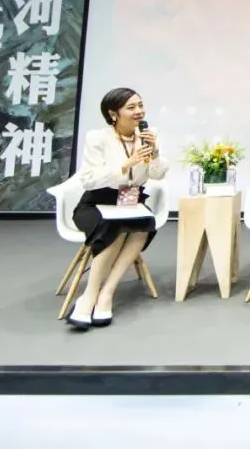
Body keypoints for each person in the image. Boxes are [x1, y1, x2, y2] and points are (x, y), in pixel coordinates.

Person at [67, 87, 168, 330]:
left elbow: (158, 174)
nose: (139, 111)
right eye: (131, 107)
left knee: (143, 223)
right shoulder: (97, 138)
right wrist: (126, 164)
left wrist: (154, 153)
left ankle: (107, 293)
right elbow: (89, 180)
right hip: (98, 202)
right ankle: (89, 296)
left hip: (131, 201)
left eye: (140, 105)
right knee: (113, 227)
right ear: (114, 114)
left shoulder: (148, 134)